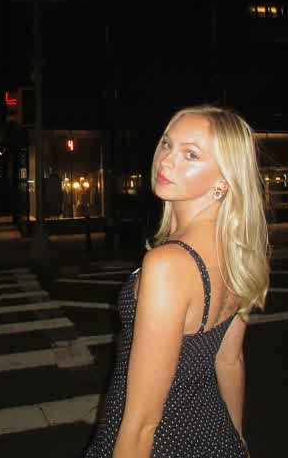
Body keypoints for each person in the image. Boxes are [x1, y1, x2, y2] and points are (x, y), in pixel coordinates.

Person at [83, 105, 269, 458]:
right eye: (167, 145)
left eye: (191, 154)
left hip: (160, 444)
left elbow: (142, 423)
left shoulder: (169, 264)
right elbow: (229, 360)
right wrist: (237, 441)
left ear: (224, 180)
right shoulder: (239, 251)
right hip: (215, 437)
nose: (166, 160)